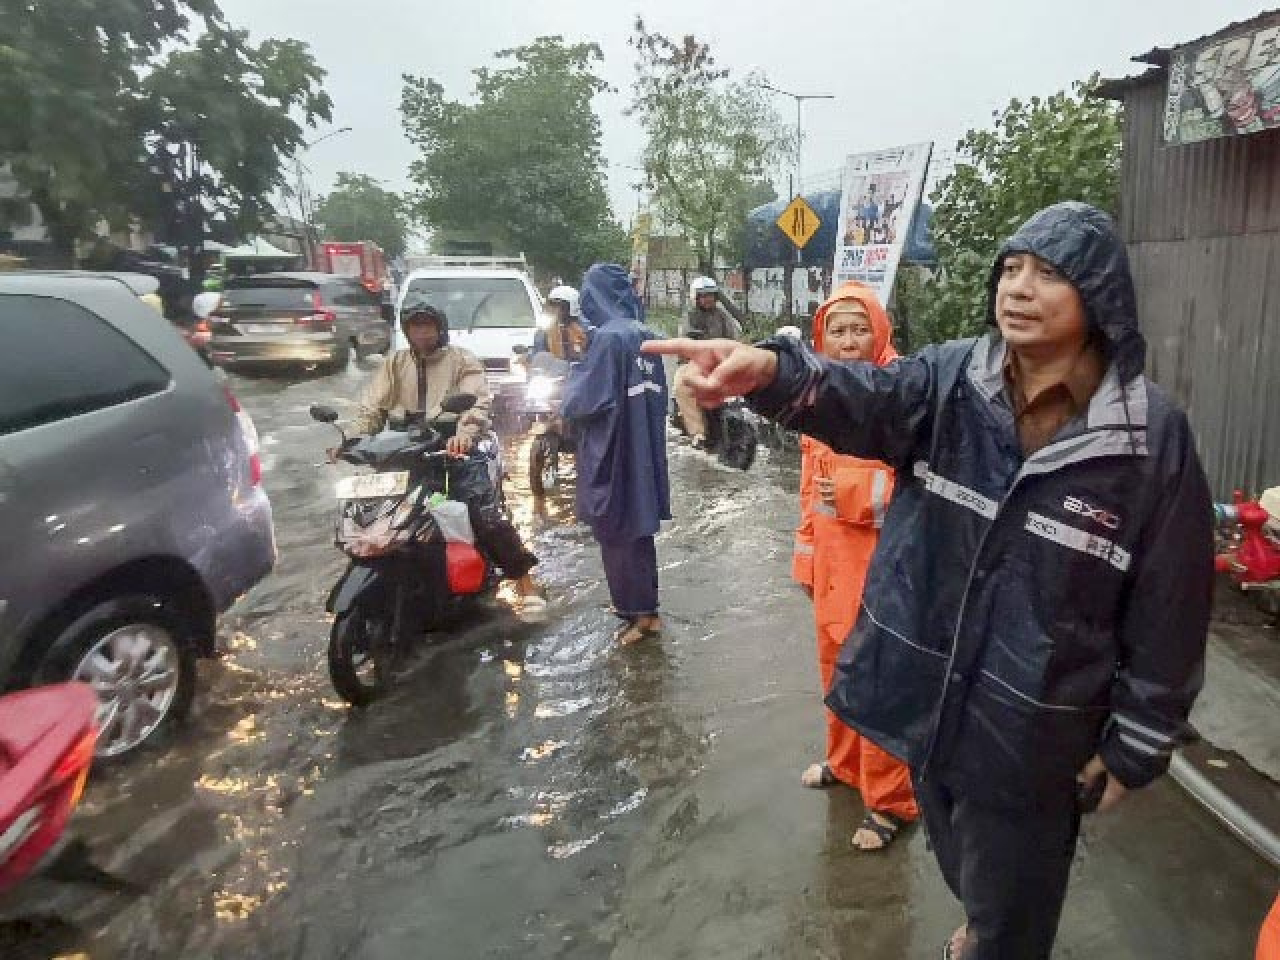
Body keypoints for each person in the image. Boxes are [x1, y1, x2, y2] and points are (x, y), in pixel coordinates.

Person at [644, 202, 1213, 960]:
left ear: (1099, 296)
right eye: (1011, 269)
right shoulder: (950, 380)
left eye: (1048, 274)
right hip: (927, 704)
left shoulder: (1147, 439)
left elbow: (1171, 603)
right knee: (957, 857)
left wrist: (1139, 741)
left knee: (1017, 903)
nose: (1019, 288)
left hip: (1034, 732)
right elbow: (864, 396)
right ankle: (981, 917)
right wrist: (774, 373)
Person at [793, 282, 918, 852]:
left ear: (879, 333)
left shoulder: (905, 397)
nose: (847, 342)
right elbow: (806, 490)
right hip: (832, 565)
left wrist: (848, 491)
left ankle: (892, 801)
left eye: (857, 329)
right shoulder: (818, 396)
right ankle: (844, 764)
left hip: (883, 567)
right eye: (836, 331)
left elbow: (921, 487)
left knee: (879, 681)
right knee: (835, 669)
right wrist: (805, 555)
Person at [347, 303, 544, 613]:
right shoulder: (395, 362)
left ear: (440, 328)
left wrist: (465, 433)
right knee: (370, 511)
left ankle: (524, 581)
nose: (422, 332)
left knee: (482, 513)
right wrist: (353, 439)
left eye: (428, 325)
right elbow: (371, 407)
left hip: (452, 451)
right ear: (406, 331)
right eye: (415, 326)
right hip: (404, 451)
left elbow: (476, 402)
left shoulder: (460, 360)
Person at [562, 263, 670, 645]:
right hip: (643, 449)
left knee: (616, 532)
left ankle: (636, 616)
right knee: (639, 532)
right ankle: (646, 609)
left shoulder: (607, 339)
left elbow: (579, 402)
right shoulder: (644, 334)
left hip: (613, 451)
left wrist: (576, 362)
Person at [672, 276, 742, 449]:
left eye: (710, 295)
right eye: (703, 295)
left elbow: (734, 337)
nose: (707, 299)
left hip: (719, 363)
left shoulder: (723, 315)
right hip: (694, 363)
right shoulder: (690, 316)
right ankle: (698, 434)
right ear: (695, 298)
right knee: (681, 387)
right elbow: (684, 336)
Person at [531, 285, 589, 363]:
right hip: (552, 372)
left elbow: (592, 356)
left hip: (580, 372)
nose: (555, 310)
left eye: (560, 306)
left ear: (572, 307)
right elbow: (537, 353)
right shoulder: (545, 330)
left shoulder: (585, 328)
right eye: (552, 305)